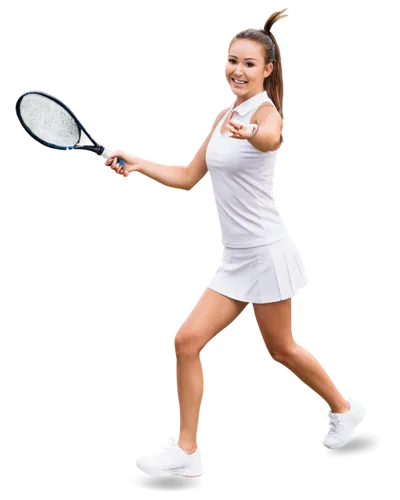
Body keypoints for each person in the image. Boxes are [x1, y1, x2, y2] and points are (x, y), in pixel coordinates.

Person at [104, 8, 366, 477]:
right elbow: (188, 177)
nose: (237, 70)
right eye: (232, 61)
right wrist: (138, 162)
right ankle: (185, 452)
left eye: (248, 63)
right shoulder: (224, 114)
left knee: (281, 347)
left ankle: (346, 413)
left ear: (268, 70)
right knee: (186, 341)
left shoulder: (265, 114)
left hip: (266, 252)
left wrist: (254, 134)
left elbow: (270, 139)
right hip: (235, 258)